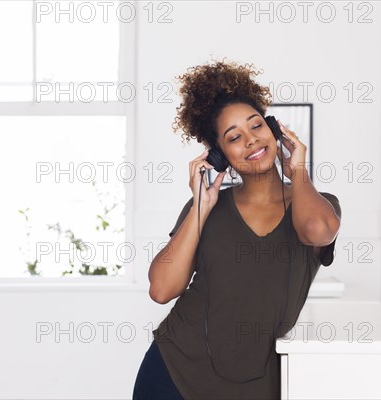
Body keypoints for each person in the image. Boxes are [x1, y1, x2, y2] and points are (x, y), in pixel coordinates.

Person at [132, 59, 342, 400]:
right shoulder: (205, 209)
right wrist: (201, 207)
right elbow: (161, 289)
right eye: (234, 137)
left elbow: (318, 231)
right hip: (174, 372)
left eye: (256, 125)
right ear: (220, 155)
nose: (250, 140)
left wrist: (298, 171)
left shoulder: (317, 204)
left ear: (275, 130)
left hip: (258, 386)